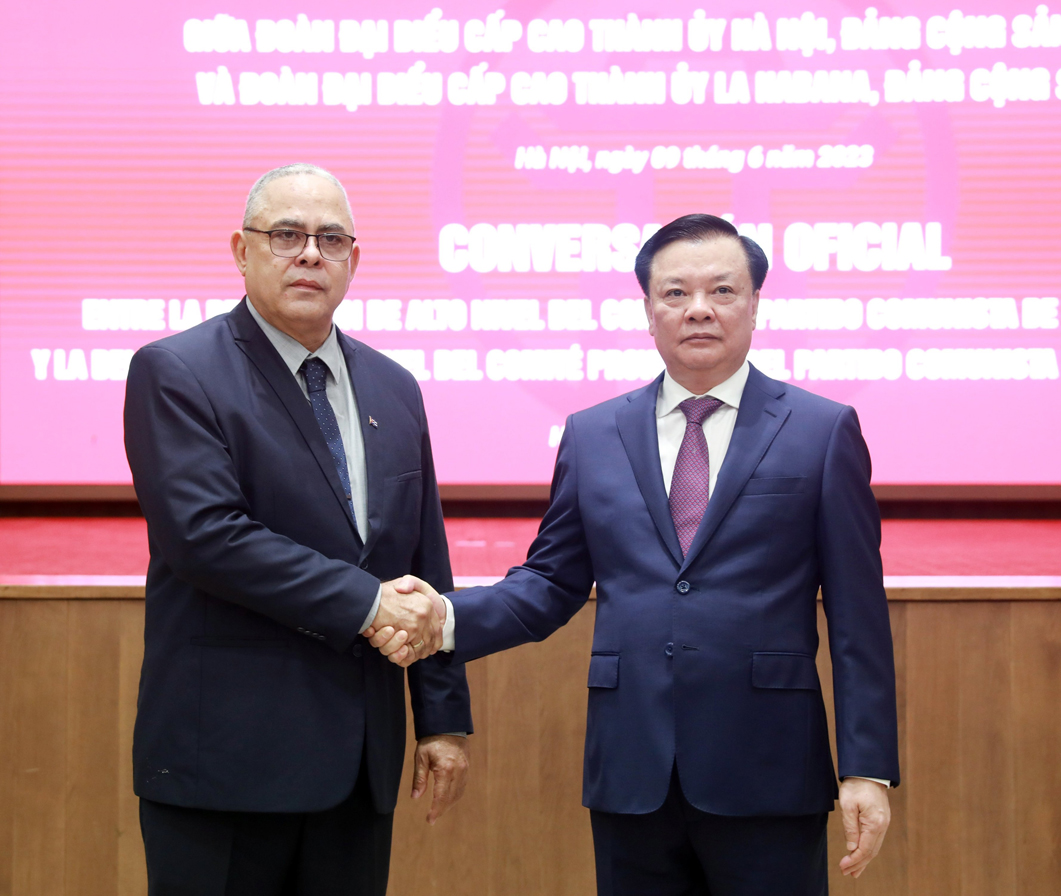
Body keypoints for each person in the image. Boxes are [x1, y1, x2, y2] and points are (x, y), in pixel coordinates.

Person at [377, 213, 900, 894]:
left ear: (755, 304)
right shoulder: (594, 433)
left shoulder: (821, 431)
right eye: (675, 293)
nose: (699, 309)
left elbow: (859, 617)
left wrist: (866, 768)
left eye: (722, 290)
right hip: (633, 770)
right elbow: (550, 582)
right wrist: (444, 618)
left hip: (768, 767)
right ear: (649, 312)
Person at [124, 163, 471, 896]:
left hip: (358, 767)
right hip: (225, 764)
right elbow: (206, 537)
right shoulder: (177, 371)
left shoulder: (395, 387)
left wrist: (442, 719)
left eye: (330, 239)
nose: (310, 254)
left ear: (354, 259)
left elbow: (424, 560)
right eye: (286, 235)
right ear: (241, 250)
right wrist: (369, 604)